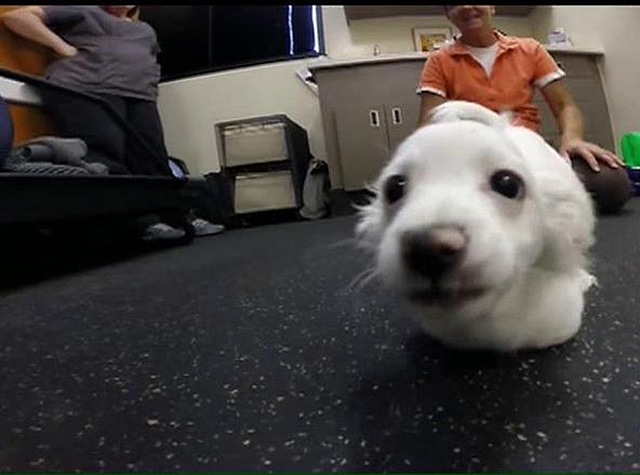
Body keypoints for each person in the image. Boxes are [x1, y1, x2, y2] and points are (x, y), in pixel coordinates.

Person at [1, 5, 224, 239]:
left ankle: (179, 216)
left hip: (139, 95)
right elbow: (17, 17)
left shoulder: (145, 30)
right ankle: (143, 223)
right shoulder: (84, 11)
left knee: (153, 156)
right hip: (89, 88)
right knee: (108, 151)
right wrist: (62, 47)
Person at [417, 5, 633, 215]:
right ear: (448, 15)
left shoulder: (529, 49)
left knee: (612, 183)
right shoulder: (438, 61)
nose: (466, 7)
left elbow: (565, 106)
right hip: (473, 157)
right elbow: (429, 122)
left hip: (528, 149)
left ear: (492, 7)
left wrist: (572, 140)